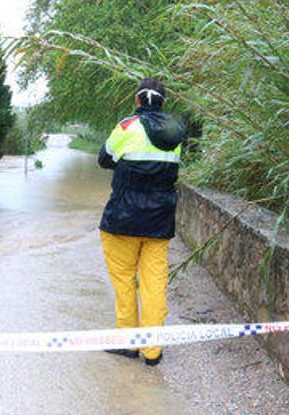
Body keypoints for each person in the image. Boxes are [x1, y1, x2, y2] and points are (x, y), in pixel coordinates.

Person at [97, 77, 185, 366]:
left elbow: (104, 159)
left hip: (122, 219)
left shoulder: (126, 126)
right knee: (154, 285)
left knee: (124, 282)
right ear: (164, 101)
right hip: (159, 222)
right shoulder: (175, 133)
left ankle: (128, 344)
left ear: (137, 100)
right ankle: (152, 350)